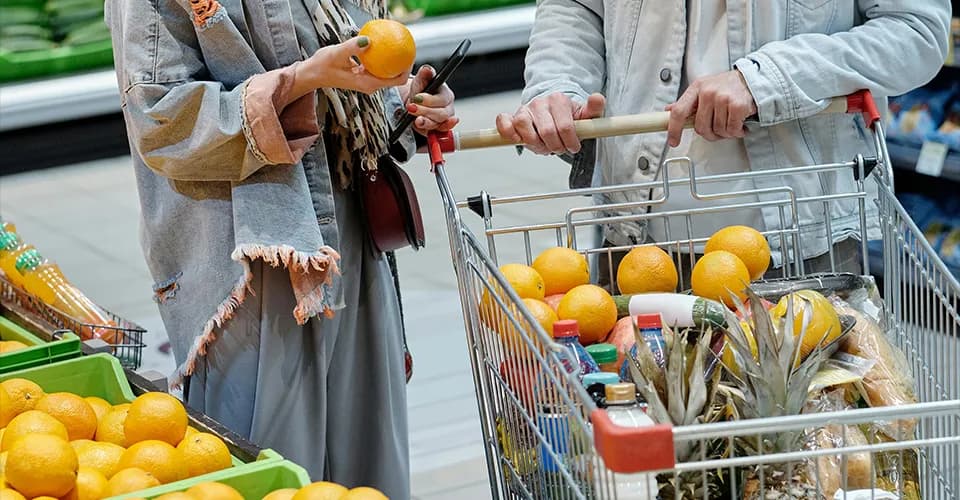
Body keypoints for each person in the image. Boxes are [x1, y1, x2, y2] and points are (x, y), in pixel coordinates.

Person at [105, 0, 456, 497]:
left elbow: (349, 59)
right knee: (271, 471)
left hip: (350, 233)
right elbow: (161, 119)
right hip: (249, 258)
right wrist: (300, 81)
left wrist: (402, 105)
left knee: (371, 470)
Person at [497, 0, 951, 287]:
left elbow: (916, 31)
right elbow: (575, 7)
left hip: (797, 248)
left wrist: (768, 79)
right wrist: (558, 85)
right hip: (634, 242)